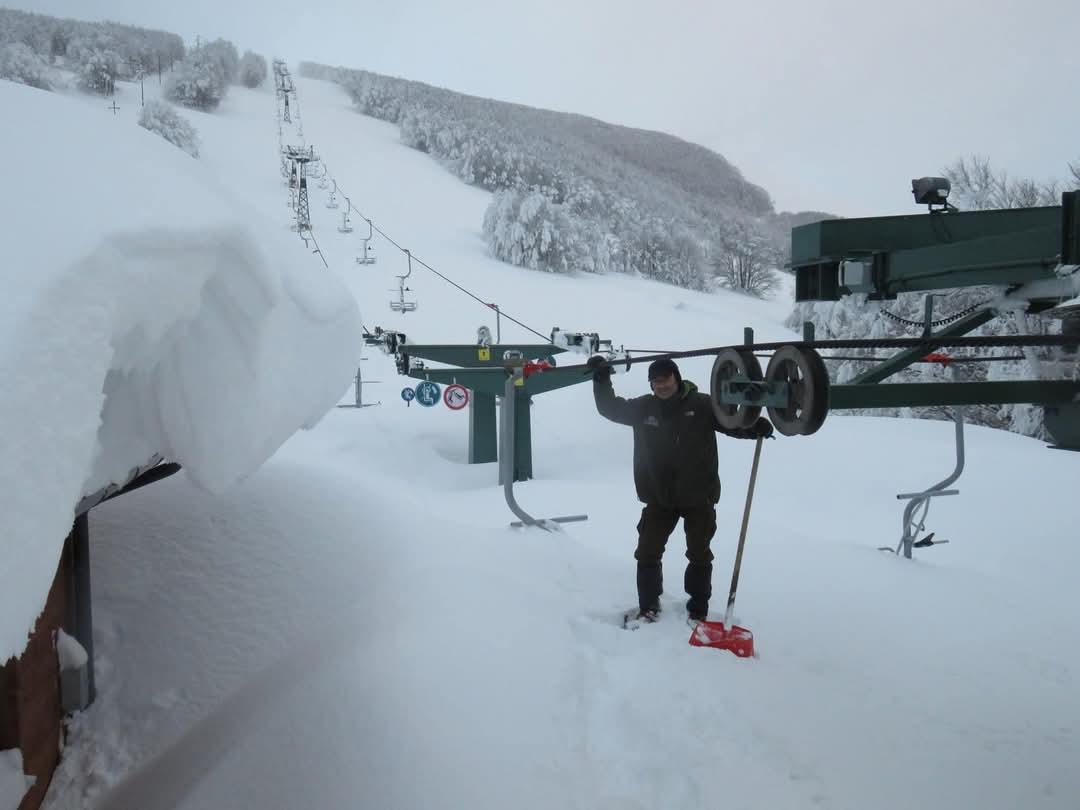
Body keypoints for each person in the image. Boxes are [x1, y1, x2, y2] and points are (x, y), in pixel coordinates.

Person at [585, 354, 773, 622]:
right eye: (655, 381)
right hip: (659, 497)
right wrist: (601, 379)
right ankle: (648, 606)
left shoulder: (703, 405)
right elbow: (610, 408)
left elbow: (732, 423)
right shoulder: (644, 407)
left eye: (665, 379)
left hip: (698, 495)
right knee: (647, 551)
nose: (661, 385)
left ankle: (698, 610)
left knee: (699, 554)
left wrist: (756, 427)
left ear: (677, 378)